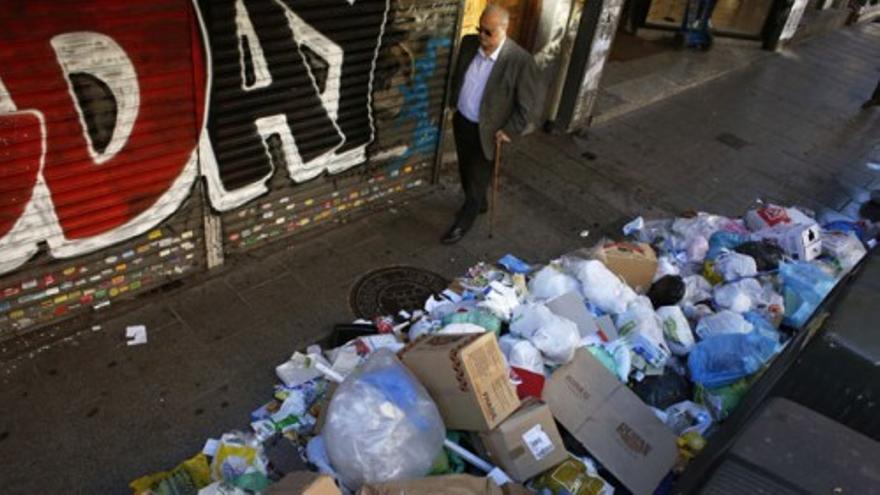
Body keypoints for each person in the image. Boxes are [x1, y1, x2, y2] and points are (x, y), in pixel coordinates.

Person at [442, 5, 538, 244]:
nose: (482, 37)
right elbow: (458, 75)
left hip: (488, 131)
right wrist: (452, 102)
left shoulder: (519, 61)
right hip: (462, 119)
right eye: (480, 30)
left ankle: (467, 217)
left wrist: (510, 130)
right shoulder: (468, 43)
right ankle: (479, 201)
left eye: (488, 32)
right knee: (465, 167)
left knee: (477, 175)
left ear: (504, 29)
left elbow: (526, 104)